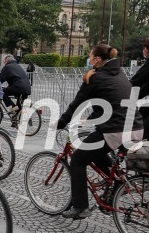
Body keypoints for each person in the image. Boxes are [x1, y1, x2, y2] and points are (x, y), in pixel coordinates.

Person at [56, 44, 143, 219]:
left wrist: (60, 122)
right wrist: (90, 119)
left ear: (97, 59)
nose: (89, 59)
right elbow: (111, 101)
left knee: (78, 160)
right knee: (95, 149)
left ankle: (80, 206)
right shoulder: (120, 74)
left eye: (90, 56)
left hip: (115, 130)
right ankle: (118, 183)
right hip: (137, 127)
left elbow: (77, 103)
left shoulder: (95, 77)